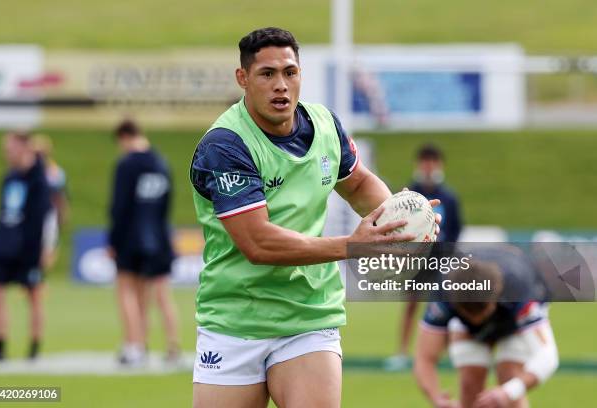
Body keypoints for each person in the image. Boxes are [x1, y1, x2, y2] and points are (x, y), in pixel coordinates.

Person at [189, 27, 440, 408]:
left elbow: (357, 184)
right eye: (267, 74)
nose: (281, 86)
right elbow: (258, 243)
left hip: (308, 317)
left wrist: (400, 223)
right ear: (243, 79)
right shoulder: (225, 146)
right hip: (234, 321)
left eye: (290, 72)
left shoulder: (324, 125)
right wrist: (353, 247)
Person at [414, 246, 558, 408]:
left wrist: (508, 391)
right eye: (469, 314)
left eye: (482, 313)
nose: (477, 321)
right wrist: (436, 399)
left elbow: (548, 356)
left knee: (509, 377)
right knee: (470, 383)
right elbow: (425, 358)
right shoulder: (443, 292)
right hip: (470, 318)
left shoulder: (519, 291)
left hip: (511, 314)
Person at [108, 119, 180, 366]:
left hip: (131, 237)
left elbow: (119, 206)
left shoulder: (127, 164)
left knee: (127, 290)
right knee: (157, 294)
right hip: (158, 236)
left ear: (124, 137)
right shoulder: (161, 163)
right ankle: (171, 344)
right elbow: (167, 204)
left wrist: (113, 240)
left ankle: (134, 345)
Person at [389, 143, 463, 368]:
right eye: (425, 161)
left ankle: (450, 354)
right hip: (416, 260)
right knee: (411, 305)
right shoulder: (410, 194)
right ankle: (402, 352)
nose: (429, 166)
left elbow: (456, 229)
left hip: (441, 260)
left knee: (448, 307)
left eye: (433, 162)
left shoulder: (449, 198)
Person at [0, 131, 51, 361]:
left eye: (10, 148)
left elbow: (45, 217)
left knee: (33, 296)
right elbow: (4, 212)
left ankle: (34, 345)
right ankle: (0, 344)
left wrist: (43, 249)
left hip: (28, 249)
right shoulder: (10, 177)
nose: (7, 154)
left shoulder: (39, 178)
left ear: (23, 148)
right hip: (5, 245)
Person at [32, 134, 69, 269]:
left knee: (47, 248)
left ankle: (39, 273)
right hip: (30, 214)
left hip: (48, 214)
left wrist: (62, 214)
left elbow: (59, 196)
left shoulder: (54, 172)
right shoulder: (25, 171)